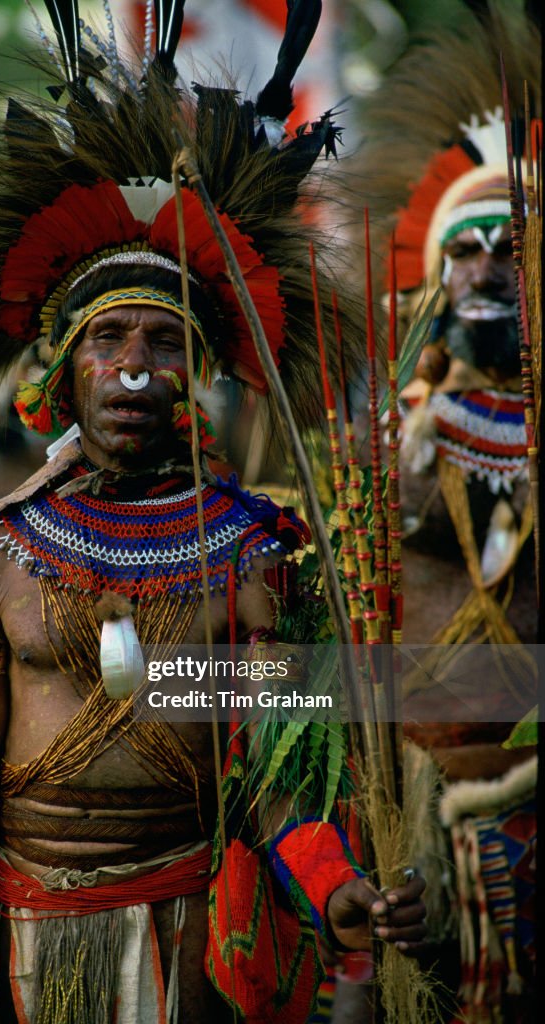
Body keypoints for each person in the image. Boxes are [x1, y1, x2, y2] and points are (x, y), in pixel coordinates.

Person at [0, 3, 427, 1023]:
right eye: (106, 338)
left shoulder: (257, 551)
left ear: (199, 374)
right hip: (37, 957)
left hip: (197, 949)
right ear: (61, 372)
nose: (133, 368)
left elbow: (272, 766)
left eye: (164, 343)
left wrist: (333, 889)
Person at [350, 3, 539, 1020]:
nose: (486, 267)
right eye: (465, 247)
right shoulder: (385, 444)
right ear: (433, 268)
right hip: (406, 817)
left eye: (514, 244)